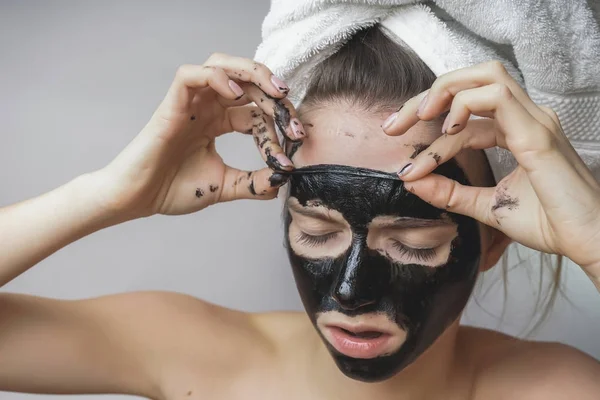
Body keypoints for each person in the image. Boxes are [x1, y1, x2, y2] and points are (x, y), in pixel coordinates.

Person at [1, 25, 600, 400]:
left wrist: (594, 242)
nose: (352, 292)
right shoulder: (194, 356)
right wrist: (107, 195)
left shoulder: (555, 389)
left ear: (493, 239)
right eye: (317, 231)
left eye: (415, 241)